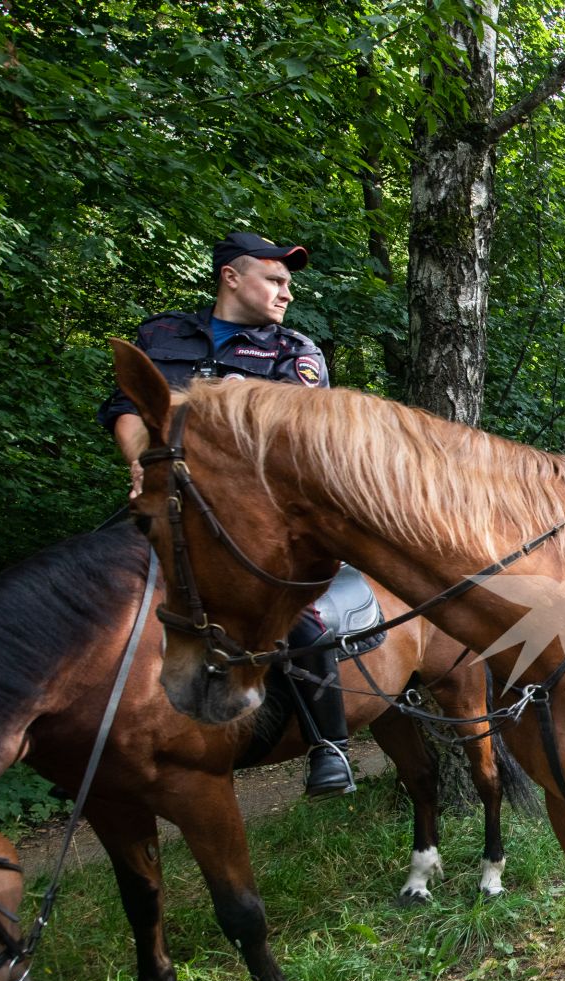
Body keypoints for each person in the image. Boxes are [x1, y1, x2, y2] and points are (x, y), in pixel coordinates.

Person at [99, 232, 353, 799]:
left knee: (295, 612)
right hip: (169, 502)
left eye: (289, 283)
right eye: (276, 280)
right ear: (231, 277)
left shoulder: (296, 353)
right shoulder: (162, 335)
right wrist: (143, 460)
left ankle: (326, 742)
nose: (287, 293)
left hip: (251, 515)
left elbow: (302, 439)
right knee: (87, 590)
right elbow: (130, 408)